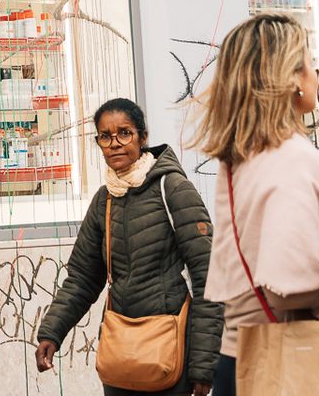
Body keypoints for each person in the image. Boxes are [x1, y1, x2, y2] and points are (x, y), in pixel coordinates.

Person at [196, 14, 319, 396]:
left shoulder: (240, 159)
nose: (316, 74)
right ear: (292, 79)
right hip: (292, 363)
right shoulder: (292, 157)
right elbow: (287, 287)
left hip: (242, 359)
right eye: (309, 62)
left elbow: (263, 253)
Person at [35, 97, 223, 394]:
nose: (115, 143)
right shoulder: (104, 200)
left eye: (124, 133)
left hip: (170, 348)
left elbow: (209, 277)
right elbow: (83, 278)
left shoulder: (172, 188)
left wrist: (203, 364)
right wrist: (52, 332)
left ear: (142, 138)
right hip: (121, 351)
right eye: (105, 136)